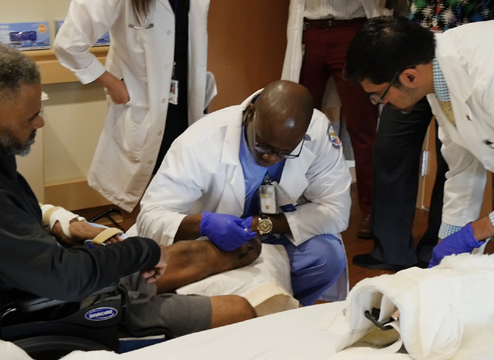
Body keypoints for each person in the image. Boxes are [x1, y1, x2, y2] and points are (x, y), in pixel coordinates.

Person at [0, 40, 256, 337]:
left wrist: (62, 223)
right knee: (239, 310)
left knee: (207, 254)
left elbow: (11, 226)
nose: (41, 122)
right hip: (55, 307)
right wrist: (142, 252)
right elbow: (64, 279)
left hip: (53, 278)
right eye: (31, 117)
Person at [136, 80, 352, 306]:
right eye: (263, 146)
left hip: (272, 236)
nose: (271, 158)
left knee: (327, 257)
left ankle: (284, 314)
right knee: (222, 295)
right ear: (251, 114)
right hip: (210, 244)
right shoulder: (201, 141)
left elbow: (335, 211)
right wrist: (203, 223)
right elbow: (150, 216)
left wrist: (263, 224)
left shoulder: (316, 133)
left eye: (284, 153)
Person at [344, 17, 494, 267]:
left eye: (378, 95)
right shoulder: (437, 77)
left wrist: (479, 230)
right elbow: (463, 168)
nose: (381, 104)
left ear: (409, 77)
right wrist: (448, 244)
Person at [53, 0, 214, 228]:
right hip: (142, 103)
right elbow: (68, 44)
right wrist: (111, 84)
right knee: (138, 191)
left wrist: (203, 92)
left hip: (184, 102)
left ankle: (169, 256)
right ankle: (137, 255)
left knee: (181, 188)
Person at [281, 0, 393, 238]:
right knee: (298, 121)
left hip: (350, 31)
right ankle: (294, 197)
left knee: (362, 126)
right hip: (308, 31)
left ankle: (373, 209)